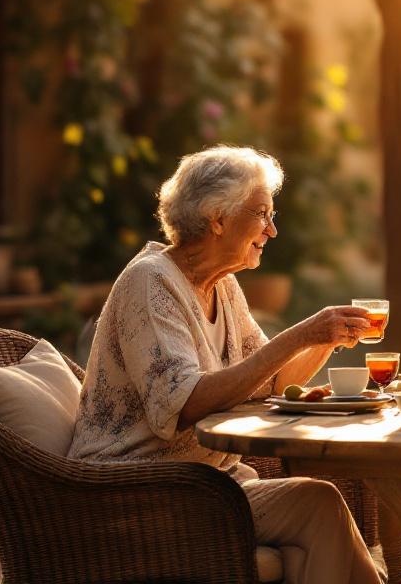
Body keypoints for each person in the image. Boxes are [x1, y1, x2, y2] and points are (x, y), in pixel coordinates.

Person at [68, 145, 384, 584]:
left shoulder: (224, 286)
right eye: (261, 214)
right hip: (135, 490)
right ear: (217, 219)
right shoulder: (150, 282)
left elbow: (270, 379)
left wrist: (326, 339)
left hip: (207, 483)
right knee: (318, 505)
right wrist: (300, 334)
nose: (271, 230)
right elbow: (183, 404)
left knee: (319, 507)